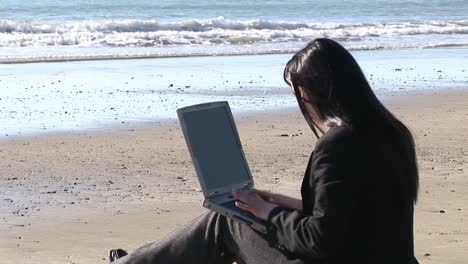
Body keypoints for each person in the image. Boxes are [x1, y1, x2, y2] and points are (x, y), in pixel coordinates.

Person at [109, 38, 419, 264]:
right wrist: (282, 203)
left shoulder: (337, 144)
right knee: (241, 210)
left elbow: (321, 240)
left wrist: (265, 211)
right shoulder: (394, 133)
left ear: (315, 92)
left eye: (300, 93)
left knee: (229, 220)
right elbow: (358, 216)